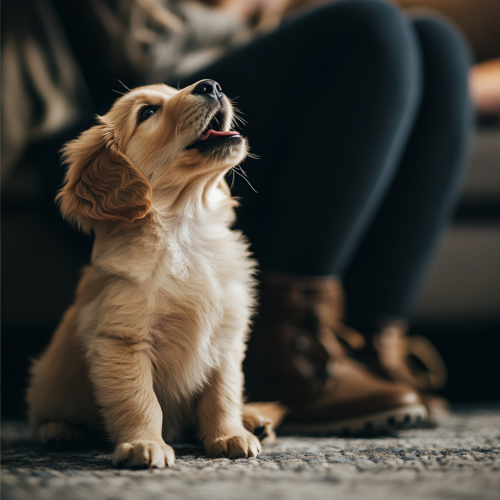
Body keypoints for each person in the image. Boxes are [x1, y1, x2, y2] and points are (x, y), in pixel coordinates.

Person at [2, 0, 472, 432]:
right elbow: (129, 61)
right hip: (110, 139)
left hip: (218, 146)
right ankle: (291, 356)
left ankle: (369, 347)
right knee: (369, 24)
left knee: (437, 42)